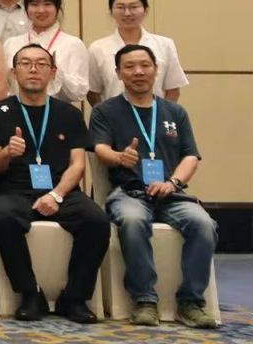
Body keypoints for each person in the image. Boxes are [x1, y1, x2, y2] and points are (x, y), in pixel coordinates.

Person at [90, 44, 217, 329]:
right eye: (129, 66)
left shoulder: (175, 112)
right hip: (130, 193)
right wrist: (119, 157)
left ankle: (191, 302)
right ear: (118, 73)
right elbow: (99, 149)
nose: (138, 72)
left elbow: (190, 156)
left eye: (145, 65)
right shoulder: (105, 111)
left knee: (203, 224)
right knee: (133, 221)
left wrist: (173, 183)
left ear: (156, 69)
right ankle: (145, 300)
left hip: (172, 194)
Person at [0, 43, 105, 324]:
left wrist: (56, 195)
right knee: (1, 217)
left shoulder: (69, 114)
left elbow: (78, 165)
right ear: (14, 73)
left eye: (41, 64)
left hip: (63, 191)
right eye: (25, 63)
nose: (33, 69)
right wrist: (7, 152)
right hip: (14, 190)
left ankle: (74, 297)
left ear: (53, 72)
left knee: (96, 221)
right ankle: (29, 293)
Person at [86, 0, 188, 104]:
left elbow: (173, 89)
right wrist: (105, 114)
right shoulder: (98, 48)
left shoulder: (165, 45)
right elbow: (93, 92)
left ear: (145, 9)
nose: (127, 13)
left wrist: (164, 113)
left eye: (133, 7)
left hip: (155, 114)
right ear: (111, 11)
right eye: (120, 7)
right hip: (113, 115)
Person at [3, 0, 89, 105]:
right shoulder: (11, 44)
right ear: (26, 8)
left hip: (58, 112)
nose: (41, 10)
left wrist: (57, 72)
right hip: (17, 110)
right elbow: (4, 86)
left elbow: (79, 93)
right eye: (34, 4)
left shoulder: (73, 44)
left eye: (47, 4)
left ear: (58, 8)